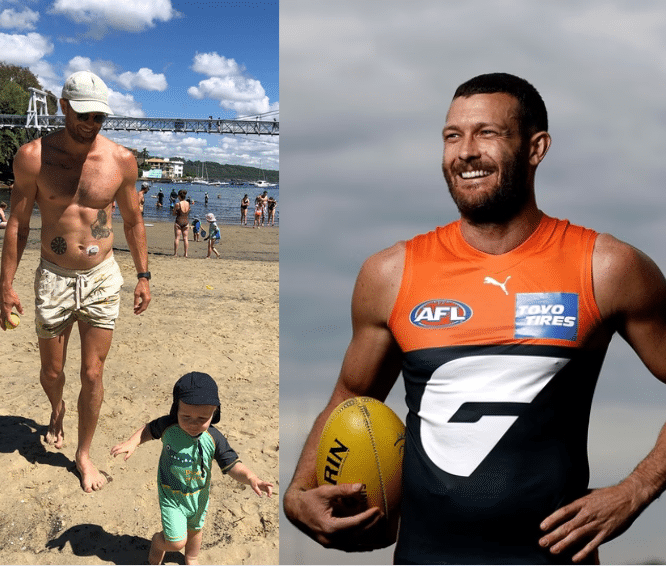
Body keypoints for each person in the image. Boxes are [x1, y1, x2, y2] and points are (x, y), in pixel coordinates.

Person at [283, 72, 666, 564]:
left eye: (487, 133)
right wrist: (298, 490)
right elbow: (352, 395)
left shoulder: (607, 267)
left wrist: (637, 488)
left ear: (536, 148)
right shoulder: (391, 273)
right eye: (452, 136)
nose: (464, 151)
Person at [0, 70, 151, 493]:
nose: (91, 124)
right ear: (63, 107)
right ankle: (56, 407)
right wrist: (5, 286)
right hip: (54, 276)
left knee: (93, 372)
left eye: (100, 116)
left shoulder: (121, 160)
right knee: (52, 372)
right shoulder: (33, 157)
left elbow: (135, 219)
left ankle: (84, 454)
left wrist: (143, 275)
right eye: (84, 114)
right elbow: (17, 224)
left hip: (102, 276)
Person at [110, 371, 273, 565]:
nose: (193, 424)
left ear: (214, 413)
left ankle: (192, 557)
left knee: (196, 530)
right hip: (171, 493)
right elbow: (148, 430)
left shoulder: (214, 438)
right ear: (176, 409)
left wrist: (252, 478)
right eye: (185, 416)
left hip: (199, 495)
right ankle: (158, 543)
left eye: (202, 418)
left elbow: (231, 464)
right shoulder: (168, 426)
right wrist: (133, 442)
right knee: (176, 541)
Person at [173, 189, 190, 258]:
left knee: (177, 238)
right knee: (185, 238)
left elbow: (174, 214)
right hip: (186, 221)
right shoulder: (188, 203)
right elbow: (188, 211)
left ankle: (175, 253)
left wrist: (175, 211)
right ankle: (185, 253)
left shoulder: (178, 204)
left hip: (179, 221)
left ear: (179, 196)